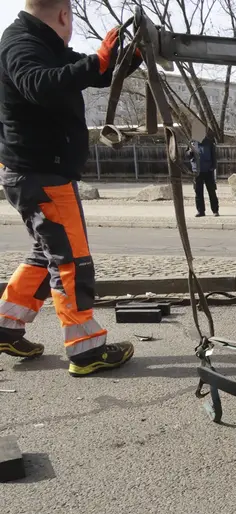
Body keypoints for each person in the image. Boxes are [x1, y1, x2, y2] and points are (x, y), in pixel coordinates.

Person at [0, 0, 142, 376]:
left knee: (46, 253)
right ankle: (86, 349)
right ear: (64, 15)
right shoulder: (22, 45)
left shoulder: (43, 44)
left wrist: (129, 56)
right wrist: (97, 61)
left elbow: (94, 73)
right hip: (42, 175)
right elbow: (40, 85)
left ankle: (6, 325)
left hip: (33, 173)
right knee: (71, 262)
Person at [186, 131, 219, 217]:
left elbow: (214, 155)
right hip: (196, 171)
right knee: (198, 192)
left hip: (208, 170)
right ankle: (200, 211)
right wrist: (190, 151)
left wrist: (213, 167)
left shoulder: (209, 142)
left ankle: (215, 210)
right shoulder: (192, 142)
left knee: (212, 191)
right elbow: (187, 155)